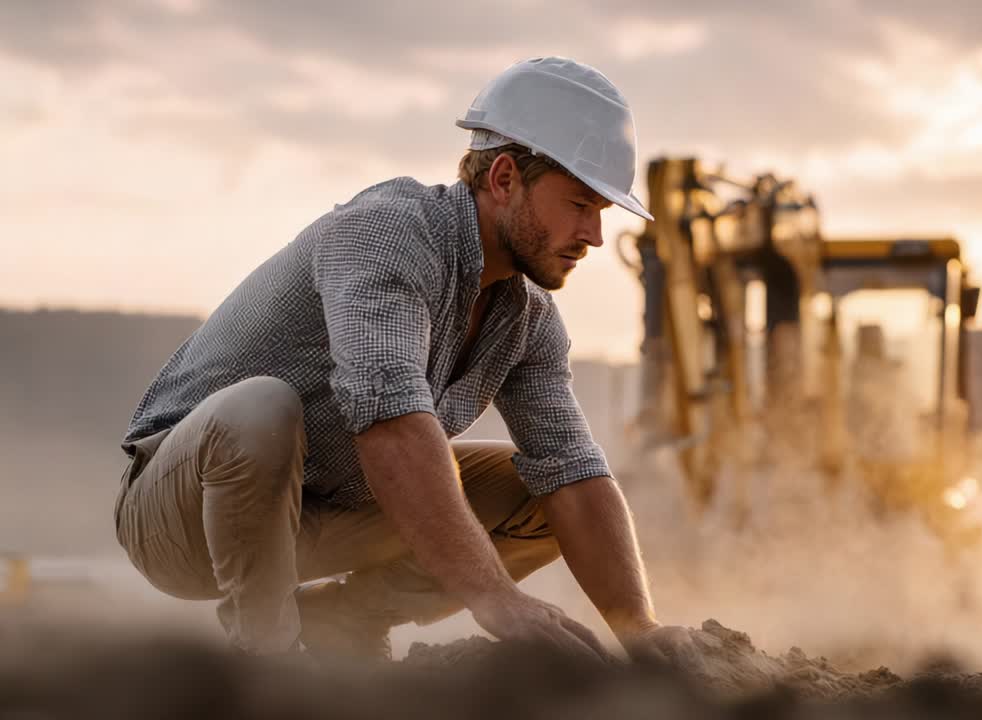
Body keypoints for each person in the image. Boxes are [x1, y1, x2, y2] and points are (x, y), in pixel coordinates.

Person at [113, 57, 696, 663]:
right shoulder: (388, 235)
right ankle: (271, 667)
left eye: (601, 211)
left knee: (541, 492)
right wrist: (495, 596)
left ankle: (343, 620)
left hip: (324, 514)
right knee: (262, 407)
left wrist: (638, 629)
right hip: (183, 518)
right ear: (503, 178)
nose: (596, 235)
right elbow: (390, 427)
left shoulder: (526, 318)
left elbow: (573, 471)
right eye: (580, 204)